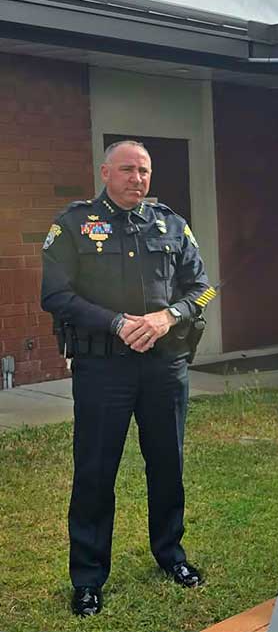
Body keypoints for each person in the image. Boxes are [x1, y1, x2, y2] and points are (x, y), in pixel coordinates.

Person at [41, 140, 216, 616]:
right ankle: (88, 578)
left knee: (168, 464)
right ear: (105, 172)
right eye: (127, 169)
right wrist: (117, 322)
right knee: (96, 471)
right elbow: (55, 295)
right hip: (103, 368)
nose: (137, 178)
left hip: (164, 365)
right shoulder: (74, 225)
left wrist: (167, 316)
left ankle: (171, 555)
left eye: (144, 170)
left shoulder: (171, 224)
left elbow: (202, 289)